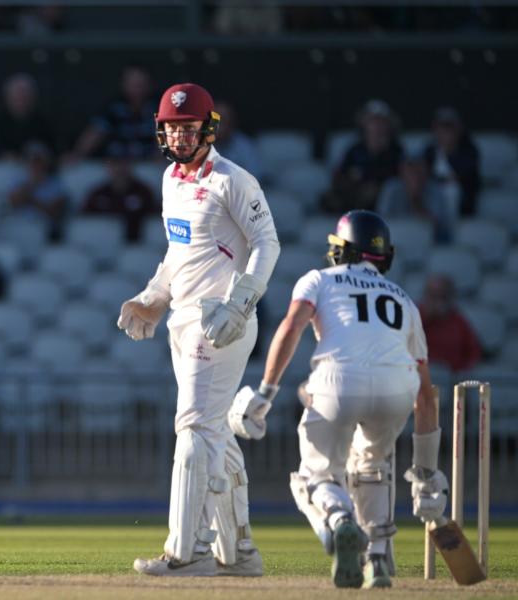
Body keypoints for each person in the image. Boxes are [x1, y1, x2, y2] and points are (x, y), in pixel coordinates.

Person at [229, 210, 447, 588]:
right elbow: (426, 398)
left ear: (341, 250)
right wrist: (427, 475)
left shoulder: (319, 279)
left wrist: (266, 391)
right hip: (399, 387)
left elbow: (292, 326)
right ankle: (377, 559)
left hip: (338, 381)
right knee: (372, 467)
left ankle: (339, 518)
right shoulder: (405, 302)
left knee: (314, 476)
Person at [118, 83, 280, 577]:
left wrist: (240, 303)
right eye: (172, 128)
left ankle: (188, 552)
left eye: (188, 128)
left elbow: (267, 244)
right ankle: (239, 554)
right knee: (213, 433)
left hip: (221, 322)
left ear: (208, 128)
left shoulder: (234, 179)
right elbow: (178, 252)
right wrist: (153, 296)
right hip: (182, 319)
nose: (180, 137)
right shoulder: (170, 178)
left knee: (192, 428)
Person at [321, 100, 403, 214]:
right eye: (372, 121)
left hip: (383, 201)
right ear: (364, 123)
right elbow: (341, 175)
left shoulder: (396, 151)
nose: (377, 126)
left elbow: (398, 179)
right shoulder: (355, 150)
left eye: (381, 121)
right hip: (354, 197)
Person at [65, 66, 158, 162]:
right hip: (112, 165)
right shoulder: (112, 108)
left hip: (147, 165)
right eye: (132, 83)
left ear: (150, 84)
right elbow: (95, 133)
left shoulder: (160, 107)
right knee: (72, 173)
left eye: (141, 83)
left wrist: (161, 156)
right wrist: (77, 153)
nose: (137, 87)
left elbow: (165, 139)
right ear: (123, 84)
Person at [81, 147, 158, 242]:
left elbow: (153, 219)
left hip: (135, 244)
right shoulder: (98, 193)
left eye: (123, 163)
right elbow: (86, 219)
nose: (119, 168)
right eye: (115, 163)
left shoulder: (143, 192)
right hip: (104, 243)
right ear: (108, 167)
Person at [377, 158, 454, 243]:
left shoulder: (435, 189)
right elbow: (382, 222)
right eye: (410, 168)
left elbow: (439, 227)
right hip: (397, 243)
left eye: (418, 169)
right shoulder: (391, 188)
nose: (415, 173)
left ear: (426, 170)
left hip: (428, 245)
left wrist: (416, 201)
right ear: (401, 170)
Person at [422, 107, 481, 217]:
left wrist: (449, 151)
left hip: (462, 203)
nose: (446, 132)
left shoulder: (470, 150)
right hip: (432, 198)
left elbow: (464, 175)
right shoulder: (429, 150)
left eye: (450, 128)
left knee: (452, 190)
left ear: (459, 129)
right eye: (442, 127)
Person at [417, 274, 482, 373]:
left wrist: (461, 372)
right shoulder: (415, 317)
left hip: (452, 380)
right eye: (432, 296)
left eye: (441, 296)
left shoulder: (458, 321)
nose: (436, 302)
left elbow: (473, 352)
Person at [8, 141, 69, 240]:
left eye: (39, 160)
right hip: (20, 226)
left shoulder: (57, 184)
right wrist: (32, 185)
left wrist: (31, 200)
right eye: (32, 160)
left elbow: (55, 213)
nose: (35, 164)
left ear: (46, 162)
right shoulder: (18, 180)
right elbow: (13, 203)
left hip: (45, 231)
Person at [0, 73, 56, 158]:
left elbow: (52, 149)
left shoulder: (43, 123)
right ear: (8, 98)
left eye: (24, 96)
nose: (21, 101)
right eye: (17, 97)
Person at [211, 101, 262, 180]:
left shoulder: (244, 145)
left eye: (223, 121)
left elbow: (255, 176)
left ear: (231, 123)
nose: (218, 125)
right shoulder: (197, 142)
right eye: (214, 120)